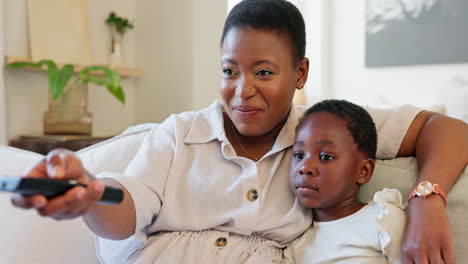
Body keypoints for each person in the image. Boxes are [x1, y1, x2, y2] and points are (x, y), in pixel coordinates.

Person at [10, 0, 467, 263]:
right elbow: (129, 203)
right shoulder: (178, 135)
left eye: (264, 72)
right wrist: (91, 193)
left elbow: (448, 129)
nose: (242, 91)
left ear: (300, 73)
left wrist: (427, 199)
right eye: (229, 70)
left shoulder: (325, 131)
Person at [284, 99, 406, 263]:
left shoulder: (384, 219)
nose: (305, 167)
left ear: (363, 171)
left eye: (325, 157)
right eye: (299, 155)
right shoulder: (295, 246)